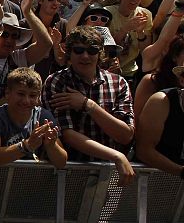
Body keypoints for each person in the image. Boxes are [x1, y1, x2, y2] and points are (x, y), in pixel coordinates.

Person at [43, 26, 135, 186]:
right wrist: (116, 155)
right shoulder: (57, 82)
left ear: (100, 53)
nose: (85, 56)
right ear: (69, 53)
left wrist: (88, 105)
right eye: (79, 50)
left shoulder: (118, 83)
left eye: (92, 51)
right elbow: (67, 134)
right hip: (68, 173)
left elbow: (125, 135)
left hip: (109, 174)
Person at [0, 68, 67, 168]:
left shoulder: (43, 117)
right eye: (21, 94)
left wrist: (51, 146)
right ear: (7, 93)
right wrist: (26, 146)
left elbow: (61, 163)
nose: (26, 101)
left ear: (38, 97)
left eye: (32, 95)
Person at [135, 65, 184, 176]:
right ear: (182, 80)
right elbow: (144, 150)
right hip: (150, 178)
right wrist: (181, 171)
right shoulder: (161, 101)